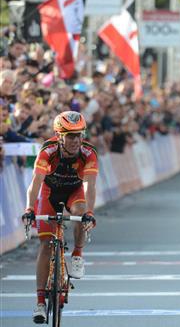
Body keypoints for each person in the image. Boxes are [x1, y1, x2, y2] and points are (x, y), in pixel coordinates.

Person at [21, 111, 98, 324]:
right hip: (49, 193)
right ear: (59, 135)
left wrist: (89, 213)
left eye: (79, 135)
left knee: (81, 213)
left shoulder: (89, 153)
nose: (76, 141)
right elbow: (35, 184)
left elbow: (90, 186)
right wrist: (29, 208)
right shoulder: (48, 151)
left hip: (74, 192)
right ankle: (39, 303)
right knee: (45, 244)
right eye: (70, 136)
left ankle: (77, 254)